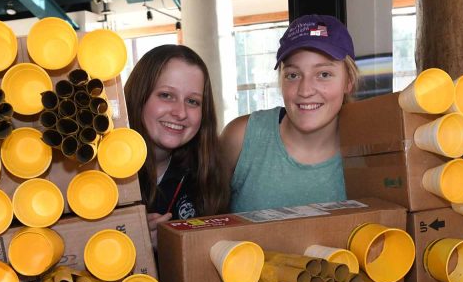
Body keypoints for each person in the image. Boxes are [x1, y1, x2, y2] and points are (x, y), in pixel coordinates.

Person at [221, 14, 359, 212]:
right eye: (293, 75)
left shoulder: (372, 149)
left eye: (324, 74)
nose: (305, 90)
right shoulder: (242, 138)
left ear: (348, 82)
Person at [124, 44, 229, 242]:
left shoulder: (206, 175)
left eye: (192, 101)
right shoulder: (99, 172)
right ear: (139, 97)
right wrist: (125, 236)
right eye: (166, 95)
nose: (180, 113)